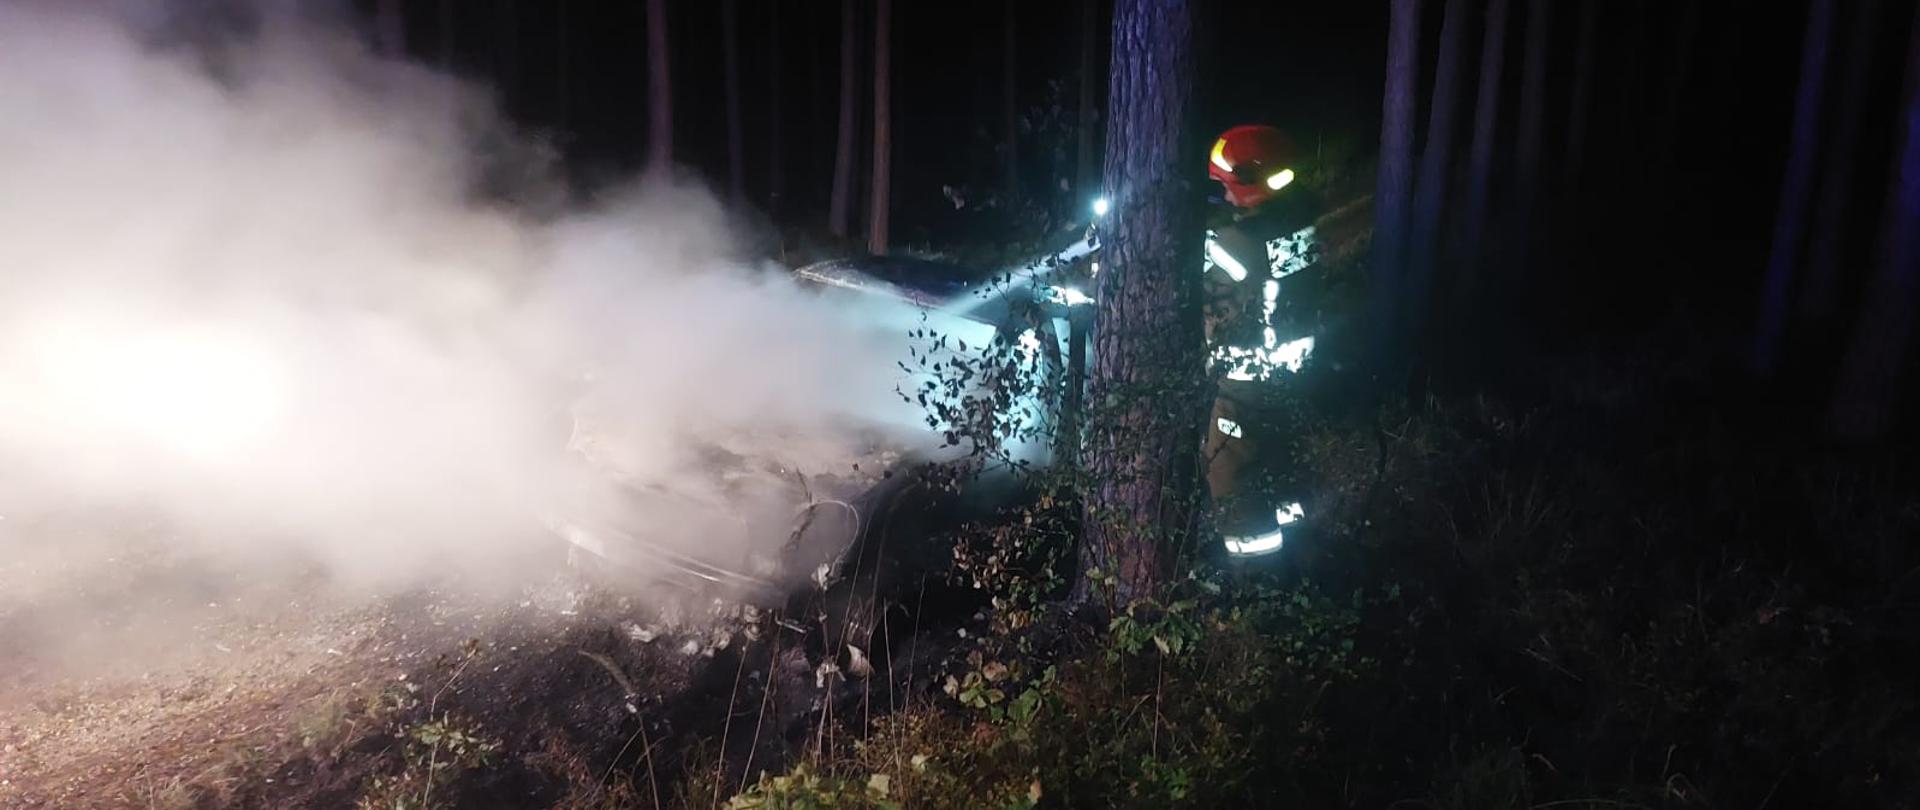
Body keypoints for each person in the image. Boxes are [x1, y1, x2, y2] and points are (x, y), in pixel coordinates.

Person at [1198, 124, 1326, 556]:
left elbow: (1182, 276)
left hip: (1244, 387)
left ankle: (1254, 579)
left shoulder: (1231, 247)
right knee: (1281, 464)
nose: (1223, 196)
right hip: (1293, 377)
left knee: (1231, 473)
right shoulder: (1299, 225)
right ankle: (1297, 553)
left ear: (1251, 184)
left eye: (1226, 186)